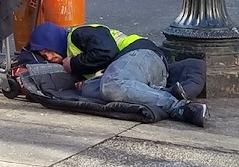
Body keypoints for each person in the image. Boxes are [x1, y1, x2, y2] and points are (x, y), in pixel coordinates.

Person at [25, 22, 208, 127]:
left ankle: (179, 107)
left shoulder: (78, 34)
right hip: (140, 72)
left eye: (47, 50)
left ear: (53, 40)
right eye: (43, 56)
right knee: (90, 90)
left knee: (111, 85)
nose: (49, 57)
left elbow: (107, 51)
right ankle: (162, 94)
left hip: (142, 54)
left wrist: (73, 63)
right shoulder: (70, 53)